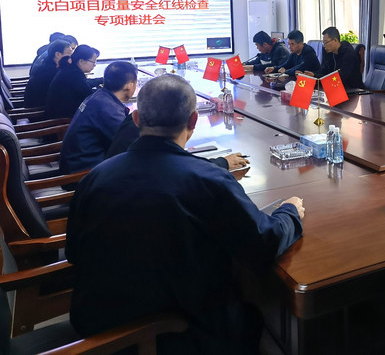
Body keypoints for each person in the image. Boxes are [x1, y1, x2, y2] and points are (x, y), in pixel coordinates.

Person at [66, 74, 304, 353]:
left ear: (136, 119)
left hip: (95, 327)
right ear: (193, 121)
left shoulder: (95, 177)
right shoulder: (209, 181)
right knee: (250, 314)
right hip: (172, 334)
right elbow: (265, 242)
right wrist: (290, 211)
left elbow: (73, 253)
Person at [58, 61, 138, 175]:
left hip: (78, 163)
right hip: (84, 172)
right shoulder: (108, 108)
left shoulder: (100, 97)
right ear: (129, 85)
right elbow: (131, 143)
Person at [105, 112, 250, 171]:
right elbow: (180, 167)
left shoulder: (98, 176)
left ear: (136, 117)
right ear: (193, 121)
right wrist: (222, 163)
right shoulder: (167, 166)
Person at [45, 44, 103, 119]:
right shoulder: (73, 74)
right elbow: (89, 95)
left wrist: (101, 82)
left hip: (64, 115)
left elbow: (85, 86)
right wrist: (105, 90)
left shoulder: (70, 69)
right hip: (63, 121)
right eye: (93, 62)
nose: (94, 65)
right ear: (81, 61)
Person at [23, 39, 73, 108]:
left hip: (43, 105)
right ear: (58, 54)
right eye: (69, 54)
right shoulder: (50, 72)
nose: (71, 58)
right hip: (38, 111)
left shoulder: (48, 64)